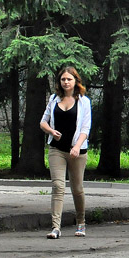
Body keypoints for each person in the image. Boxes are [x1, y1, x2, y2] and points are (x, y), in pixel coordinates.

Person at [39, 66, 92, 239]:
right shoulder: (54, 99)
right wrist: (51, 131)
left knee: (77, 189)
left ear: (76, 81)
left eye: (69, 79)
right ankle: (55, 227)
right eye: (63, 79)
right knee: (58, 186)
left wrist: (77, 146)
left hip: (77, 151)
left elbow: (85, 128)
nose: (66, 82)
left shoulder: (84, 101)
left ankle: (81, 222)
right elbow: (43, 122)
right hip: (57, 150)